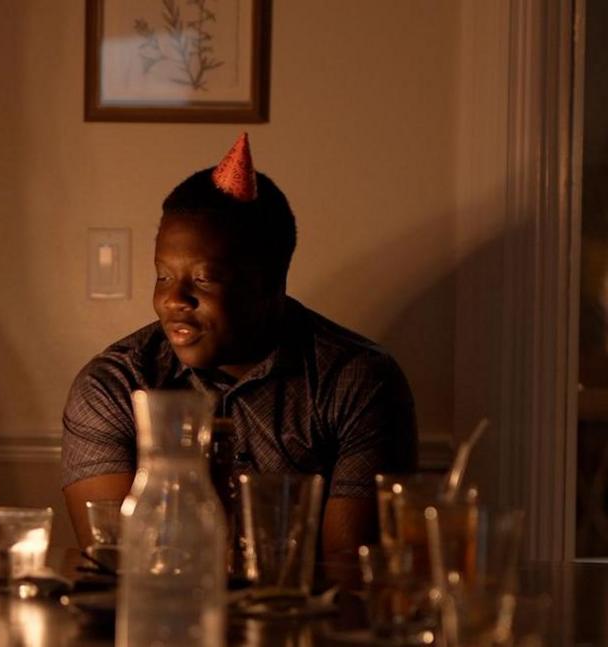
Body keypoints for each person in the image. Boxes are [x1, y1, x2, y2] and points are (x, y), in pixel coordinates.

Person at [61, 134, 418, 566]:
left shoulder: (355, 381)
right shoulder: (116, 385)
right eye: (162, 276)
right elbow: (115, 563)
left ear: (270, 284)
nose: (175, 299)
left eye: (205, 279)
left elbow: (349, 575)